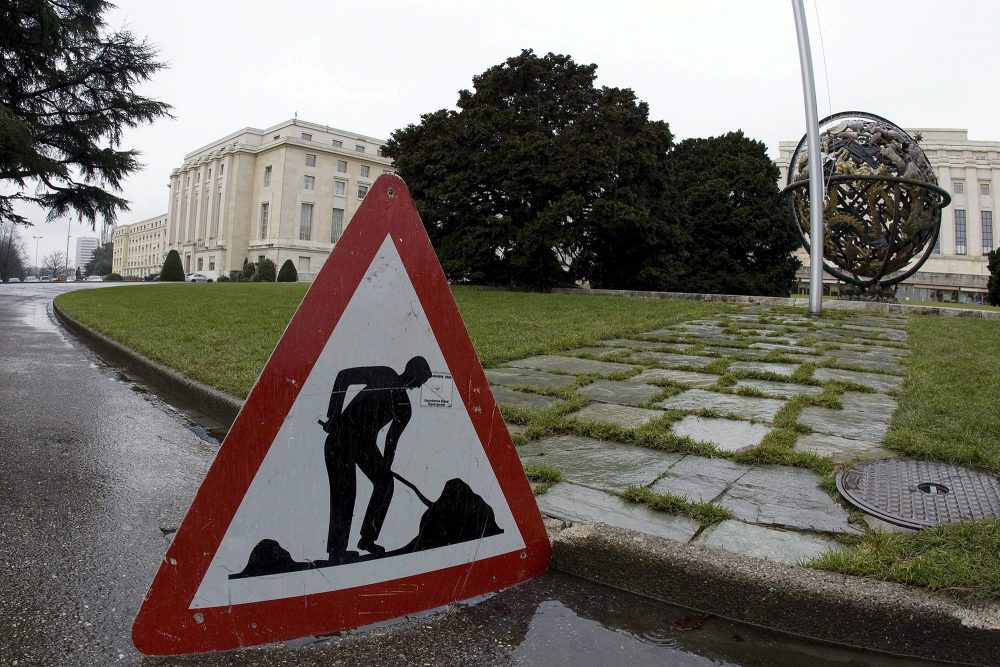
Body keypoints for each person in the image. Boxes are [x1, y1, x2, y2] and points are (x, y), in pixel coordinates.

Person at [319, 356, 433, 562]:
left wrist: (385, 468)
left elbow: (391, 443)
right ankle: (337, 551)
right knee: (345, 492)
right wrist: (334, 414)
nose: (418, 387)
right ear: (412, 372)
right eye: (420, 380)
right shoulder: (385, 374)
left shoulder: (404, 408)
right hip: (341, 437)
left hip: (364, 446)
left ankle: (367, 539)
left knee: (385, 483)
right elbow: (343, 377)